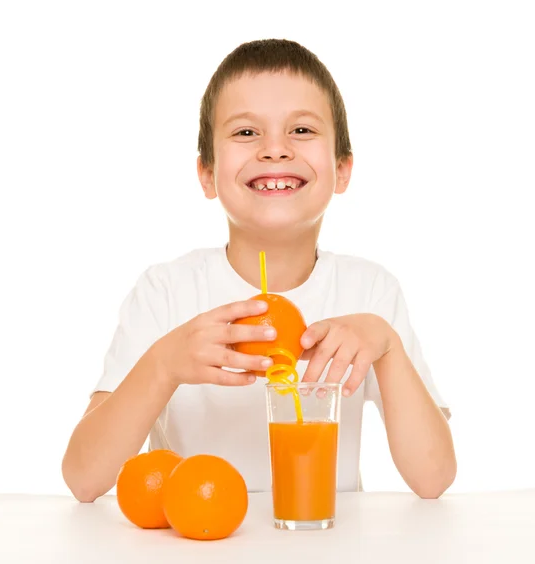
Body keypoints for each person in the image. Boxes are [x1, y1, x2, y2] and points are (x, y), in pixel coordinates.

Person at [62, 38, 456, 503]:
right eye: (246, 133)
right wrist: (164, 365)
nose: (275, 149)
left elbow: (434, 478)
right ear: (207, 173)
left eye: (303, 130)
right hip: (192, 558)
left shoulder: (370, 292)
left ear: (342, 168)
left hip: (329, 555)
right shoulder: (165, 291)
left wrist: (387, 348)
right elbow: (84, 478)